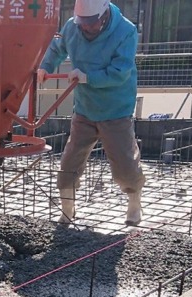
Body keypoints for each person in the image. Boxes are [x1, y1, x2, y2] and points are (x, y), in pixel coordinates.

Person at [37, 0, 146, 226]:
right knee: (69, 163)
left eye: (91, 24)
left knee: (125, 165)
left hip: (116, 110)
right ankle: (68, 209)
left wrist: (88, 77)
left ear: (104, 15)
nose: (86, 28)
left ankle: (134, 203)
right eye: (82, 24)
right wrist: (45, 67)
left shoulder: (125, 31)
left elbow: (121, 72)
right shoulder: (72, 27)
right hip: (85, 109)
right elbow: (57, 48)